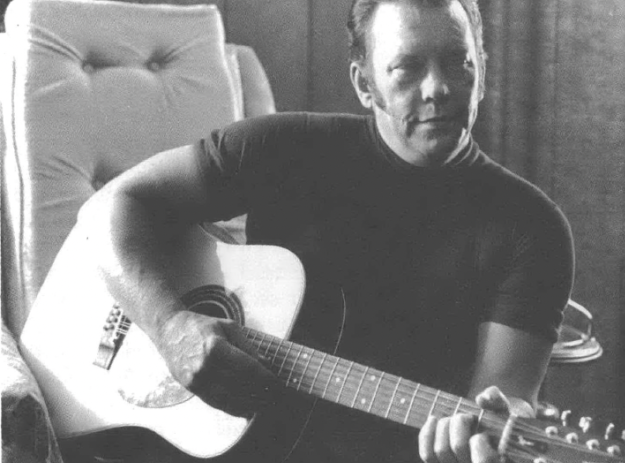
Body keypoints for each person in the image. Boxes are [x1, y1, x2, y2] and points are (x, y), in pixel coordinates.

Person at [75, 0, 574, 462]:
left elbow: (503, 400)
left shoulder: (532, 228)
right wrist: (169, 327)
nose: (437, 88)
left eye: (457, 61)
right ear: (364, 83)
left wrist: (485, 442)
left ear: (481, 70)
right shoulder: (284, 149)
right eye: (407, 67)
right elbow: (110, 207)